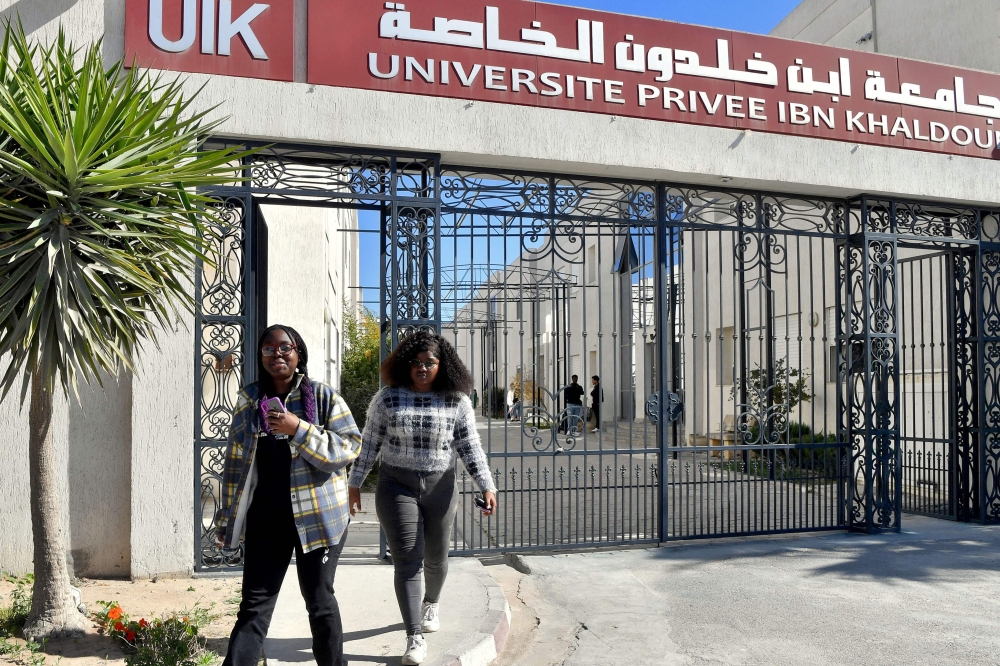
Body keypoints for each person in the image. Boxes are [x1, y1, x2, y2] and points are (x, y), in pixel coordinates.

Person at [348, 331, 498, 665]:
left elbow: (469, 445)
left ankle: (432, 602)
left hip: (441, 487)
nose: (422, 368)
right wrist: (354, 482)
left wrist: (486, 484)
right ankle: (414, 637)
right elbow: (369, 443)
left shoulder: (456, 400)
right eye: (416, 363)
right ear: (405, 365)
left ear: (442, 365)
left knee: (436, 558)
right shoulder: (387, 399)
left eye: (429, 362)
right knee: (407, 560)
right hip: (396, 486)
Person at [216, 325, 362, 666]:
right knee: (254, 606)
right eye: (268, 349)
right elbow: (235, 465)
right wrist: (226, 519)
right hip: (268, 518)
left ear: (299, 354)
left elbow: (348, 448)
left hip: (319, 519)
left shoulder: (323, 397)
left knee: (320, 601)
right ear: (260, 356)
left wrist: (299, 429)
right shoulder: (251, 400)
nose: (276, 355)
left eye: (284, 348)